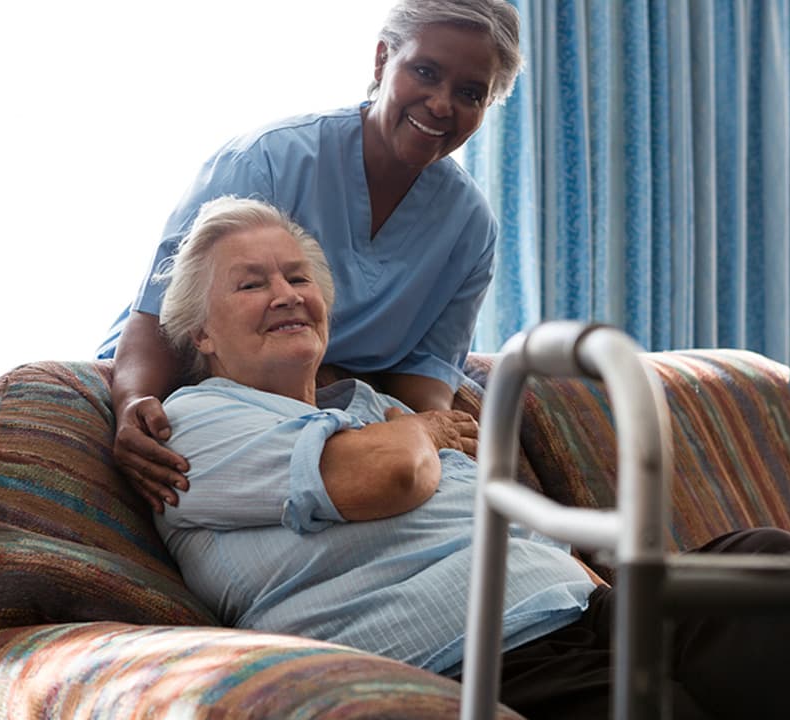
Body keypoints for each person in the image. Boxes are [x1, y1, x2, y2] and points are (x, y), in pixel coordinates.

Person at [153, 196, 790, 720]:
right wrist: (429, 431)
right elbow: (385, 476)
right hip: (470, 652)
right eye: (251, 284)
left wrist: (596, 587)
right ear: (202, 334)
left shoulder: (369, 408)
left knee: (768, 571)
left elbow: (505, 523)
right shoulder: (196, 422)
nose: (285, 294)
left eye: (297, 277)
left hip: (580, 611)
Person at [99, 0, 522, 513]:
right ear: (383, 60)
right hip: (215, 392)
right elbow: (159, 311)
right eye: (425, 72)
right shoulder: (266, 161)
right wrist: (131, 403)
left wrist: (426, 434)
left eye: (470, 93)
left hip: (343, 416)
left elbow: (426, 379)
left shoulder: (470, 226)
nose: (440, 103)